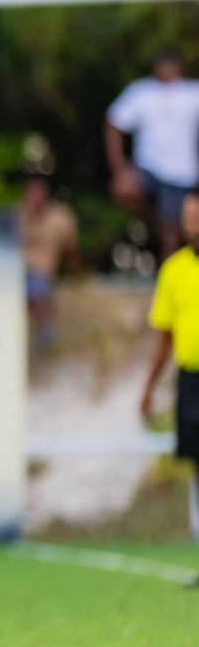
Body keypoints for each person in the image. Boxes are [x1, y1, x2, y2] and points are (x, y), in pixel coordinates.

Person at [138, 189, 199, 540]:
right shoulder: (174, 271)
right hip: (190, 379)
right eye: (188, 218)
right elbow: (164, 338)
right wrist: (147, 388)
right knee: (194, 462)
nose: (193, 224)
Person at [106, 49, 199, 257]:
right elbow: (113, 123)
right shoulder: (141, 91)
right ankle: (160, 223)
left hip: (180, 174)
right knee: (123, 189)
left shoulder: (192, 92)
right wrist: (120, 168)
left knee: (173, 236)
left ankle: (168, 277)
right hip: (147, 168)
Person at [18, 137, 79, 350]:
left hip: (42, 277)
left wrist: (75, 280)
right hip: (14, 274)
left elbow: (72, 254)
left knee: (36, 286)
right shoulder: (14, 216)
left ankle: (45, 337)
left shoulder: (61, 217)